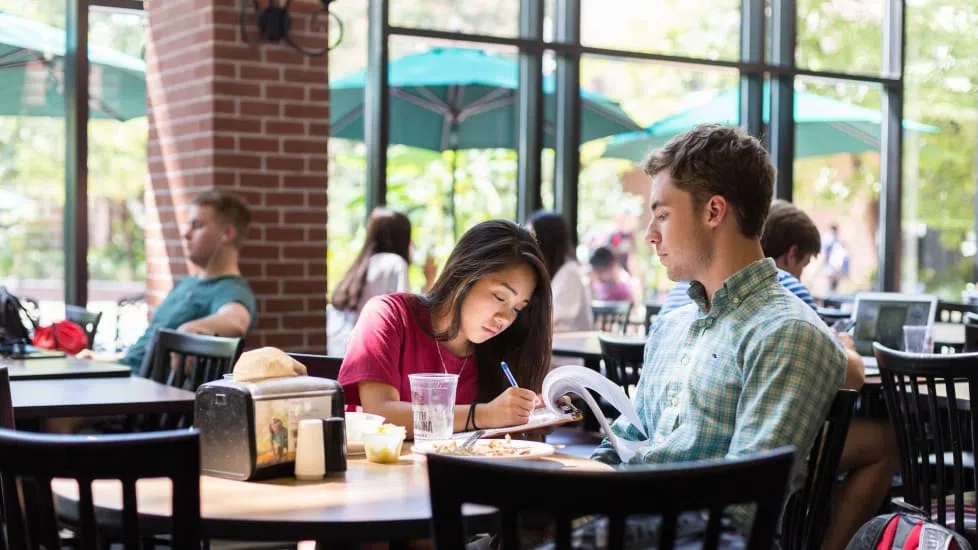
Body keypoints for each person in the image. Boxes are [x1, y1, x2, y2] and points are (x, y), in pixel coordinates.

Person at [590, 125, 847, 532]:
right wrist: (566, 501)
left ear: (713, 211)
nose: (650, 234)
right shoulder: (671, 326)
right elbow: (622, 443)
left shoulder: (788, 335)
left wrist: (595, 525)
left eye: (662, 215)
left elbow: (740, 513)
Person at [661, 199, 896, 548]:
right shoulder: (785, 289)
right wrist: (843, 348)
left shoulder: (682, 290)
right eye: (804, 263)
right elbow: (845, 373)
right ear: (791, 255)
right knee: (887, 442)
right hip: (740, 447)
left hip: (681, 441)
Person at [337, 220, 553, 439]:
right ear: (465, 273)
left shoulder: (499, 351)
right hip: (385, 470)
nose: (504, 319)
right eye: (499, 297)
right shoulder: (389, 315)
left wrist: (530, 414)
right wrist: (484, 414)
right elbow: (381, 415)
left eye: (517, 308)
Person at [76, 191, 257, 371]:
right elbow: (142, 354)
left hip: (145, 392)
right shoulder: (185, 283)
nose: (186, 234)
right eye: (188, 225)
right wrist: (101, 360)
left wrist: (189, 329)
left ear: (227, 233)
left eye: (197, 225)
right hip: (124, 374)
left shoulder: (231, 289)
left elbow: (236, 321)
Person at [327, 207, 412, 356]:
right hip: (367, 351)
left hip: (338, 350)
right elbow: (408, 313)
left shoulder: (361, 265)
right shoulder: (396, 263)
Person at [526, 211, 592, 332]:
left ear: (546, 239)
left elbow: (550, 318)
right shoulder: (556, 272)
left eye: (532, 236)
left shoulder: (570, 272)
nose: (527, 243)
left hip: (571, 347)